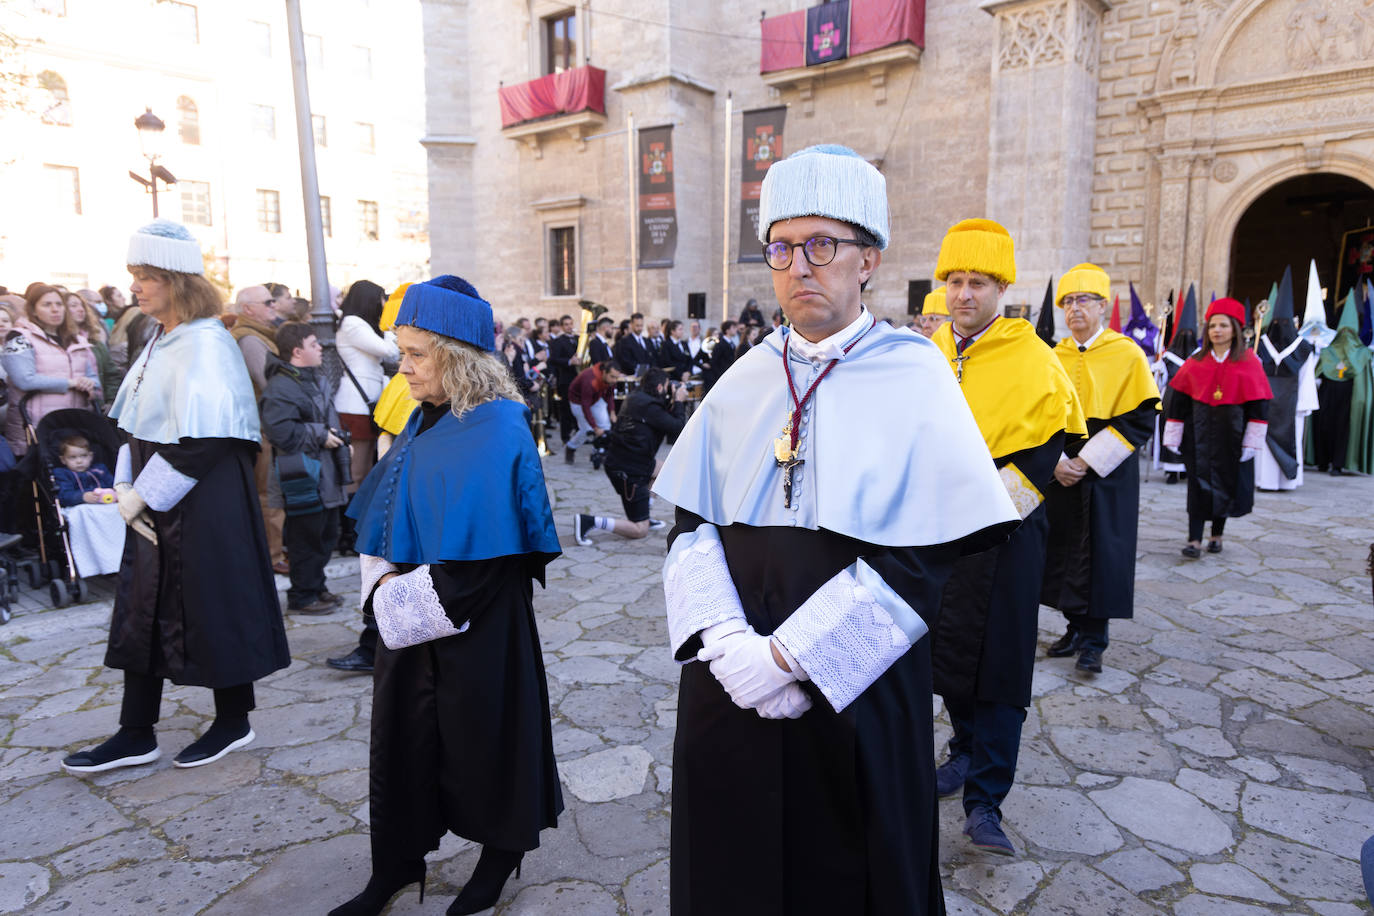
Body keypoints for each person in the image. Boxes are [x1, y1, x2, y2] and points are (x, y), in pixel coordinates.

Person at [653, 145, 1018, 915]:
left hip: (855, 691)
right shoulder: (745, 373)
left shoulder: (914, 372)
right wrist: (730, 648)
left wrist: (792, 658)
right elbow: (690, 524)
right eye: (782, 248)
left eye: (823, 245)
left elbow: (925, 559)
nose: (799, 268)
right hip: (729, 688)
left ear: (869, 261)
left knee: (847, 875)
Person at [328, 275, 563, 916]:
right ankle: (395, 867)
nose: (402, 369)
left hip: (477, 621)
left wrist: (392, 605)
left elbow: (489, 561)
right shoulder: (422, 420)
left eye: (415, 355)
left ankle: (499, 855)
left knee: (486, 740)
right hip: (411, 609)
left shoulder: (500, 427)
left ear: (456, 356)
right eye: (401, 352)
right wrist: (382, 585)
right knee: (401, 745)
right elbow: (386, 512)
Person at [61, 218, 287, 774]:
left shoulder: (207, 342)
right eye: (135, 277)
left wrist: (142, 496)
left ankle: (234, 720)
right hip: (159, 497)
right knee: (142, 608)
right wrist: (124, 485)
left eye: (147, 277)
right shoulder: (163, 337)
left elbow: (207, 439)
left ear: (178, 282)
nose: (135, 288)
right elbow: (138, 422)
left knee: (214, 606)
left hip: (203, 503)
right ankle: (136, 731)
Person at [927, 219, 1086, 856]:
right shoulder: (931, 352)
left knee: (999, 662)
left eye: (977, 283)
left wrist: (989, 513)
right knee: (948, 653)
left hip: (1005, 532)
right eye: (955, 282)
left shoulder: (1032, 355)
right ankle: (963, 751)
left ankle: (986, 799)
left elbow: (1051, 450)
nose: (963, 294)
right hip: (937, 532)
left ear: (1002, 288)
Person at [1039, 264, 1160, 674]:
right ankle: (1073, 627)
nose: (1075, 309)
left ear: (1103, 306)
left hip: (1108, 471)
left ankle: (1095, 641)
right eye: (1068, 302)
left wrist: (1087, 460)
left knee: (1102, 553)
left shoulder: (1127, 354)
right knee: (1064, 551)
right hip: (1063, 472)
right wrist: (1058, 462)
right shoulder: (1054, 354)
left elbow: (1142, 416)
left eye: (1083, 301)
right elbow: (1041, 416)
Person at [1163, 297, 1272, 557]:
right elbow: (1177, 400)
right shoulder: (1195, 362)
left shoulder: (1249, 362)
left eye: (1223, 325)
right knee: (1196, 486)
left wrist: (1251, 440)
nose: (1216, 330)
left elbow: (1259, 405)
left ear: (1235, 328)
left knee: (1226, 483)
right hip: (1197, 433)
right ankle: (1193, 540)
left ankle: (1217, 535)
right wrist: (1174, 432)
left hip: (1231, 435)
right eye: (1212, 326)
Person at [262, 321, 349, 614]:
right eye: (314, 344)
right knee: (305, 537)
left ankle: (317, 587)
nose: (321, 348)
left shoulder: (310, 378)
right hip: (301, 475)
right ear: (297, 351)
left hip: (323, 471)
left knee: (326, 533)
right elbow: (281, 432)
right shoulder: (281, 385)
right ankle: (303, 595)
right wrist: (321, 435)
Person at [571, 368, 685, 545]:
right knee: (640, 530)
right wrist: (678, 401)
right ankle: (589, 522)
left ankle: (644, 514)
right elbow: (677, 426)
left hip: (630, 460)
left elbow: (664, 419)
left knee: (664, 472)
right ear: (661, 387)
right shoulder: (650, 408)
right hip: (628, 471)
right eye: (668, 386)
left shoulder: (638, 399)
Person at [2, 284, 101, 455]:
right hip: (34, 431)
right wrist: (71, 383)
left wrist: (89, 384)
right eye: (47, 305)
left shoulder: (77, 341)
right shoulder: (19, 337)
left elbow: (95, 381)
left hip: (74, 429)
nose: (55, 310)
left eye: (59, 304)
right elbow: (24, 380)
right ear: (33, 310)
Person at [231, 284, 288, 574]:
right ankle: (273, 554)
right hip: (261, 427)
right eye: (267, 302)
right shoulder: (250, 339)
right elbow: (271, 385)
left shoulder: (259, 335)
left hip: (263, 424)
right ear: (248, 309)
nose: (274, 306)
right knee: (268, 493)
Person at [334, 280, 399, 498]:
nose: (384, 304)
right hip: (355, 405)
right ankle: (349, 526)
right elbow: (390, 351)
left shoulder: (358, 324)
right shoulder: (353, 323)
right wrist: (389, 325)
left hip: (365, 402)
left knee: (366, 469)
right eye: (382, 299)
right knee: (356, 470)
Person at [1255, 269, 1318, 491]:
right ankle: (1266, 481)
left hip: (1291, 407)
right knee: (1264, 445)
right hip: (1265, 403)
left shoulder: (1302, 349)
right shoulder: (1260, 345)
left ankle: (1286, 480)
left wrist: (1303, 406)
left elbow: (1306, 378)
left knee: (1288, 440)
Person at [1307, 289, 1374, 476]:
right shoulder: (1328, 351)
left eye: (1349, 333)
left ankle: (1337, 464)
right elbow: (1317, 372)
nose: (1346, 337)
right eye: (1343, 332)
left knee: (1343, 430)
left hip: (1348, 397)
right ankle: (1322, 461)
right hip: (1327, 394)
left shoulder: (1362, 353)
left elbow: (1364, 381)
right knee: (1323, 426)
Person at [1154, 288, 1199, 482]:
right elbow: (1159, 383)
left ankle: (1186, 468)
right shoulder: (1168, 357)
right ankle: (1171, 469)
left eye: (1191, 333)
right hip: (1170, 401)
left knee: (1189, 433)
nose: (1187, 336)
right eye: (1184, 333)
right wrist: (1157, 371)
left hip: (1193, 401)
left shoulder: (1198, 357)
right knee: (1169, 432)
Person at [565, 359, 619, 464]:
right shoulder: (590, 380)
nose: (615, 380)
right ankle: (571, 447)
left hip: (595, 397)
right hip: (578, 401)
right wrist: (595, 427)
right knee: (586, 430)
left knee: (605, 426)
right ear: (604, 372)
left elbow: (609, 395)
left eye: (617, 377)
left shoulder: (610, 379)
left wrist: (612, 412)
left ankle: (599, 451)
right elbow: (586, 407)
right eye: (613, 377)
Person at [53, 433, 115, 504]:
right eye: (73, 457)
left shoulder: (100, 469)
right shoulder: (63, 474)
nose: (79, 461)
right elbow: (64, 496)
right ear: (63, 460)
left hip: (107, 503)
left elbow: (113, 485)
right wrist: (82, 496)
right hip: (80, 507)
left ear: (90, 456)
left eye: (84, 456)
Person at [546, 314, 579, 443]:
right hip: (566, 379)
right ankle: (565, 437)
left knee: (578, 407)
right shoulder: (558, 341)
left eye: (571, 323)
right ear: (561, 326)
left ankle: (579, 431)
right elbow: (554, 359)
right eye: (566, 324)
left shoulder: (579, 338)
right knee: (566, 409)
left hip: (578, 377)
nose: (569, 326)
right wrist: (570, 361)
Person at [613, 311, 651, 376]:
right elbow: (625, 361)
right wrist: (639, 369)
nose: (639, 328)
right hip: (632, 376)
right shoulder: (624, 341)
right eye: (637, 325)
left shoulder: (646, 341)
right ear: (631, 324)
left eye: (641, 325)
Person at [704, 319, 738, 389]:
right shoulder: (720, 344)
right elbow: (714, 362)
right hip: (721, 376)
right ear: (727, 330)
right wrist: (720, 376)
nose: (736, 330)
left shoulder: (732, 344)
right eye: (733, 328)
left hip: (729, 375)